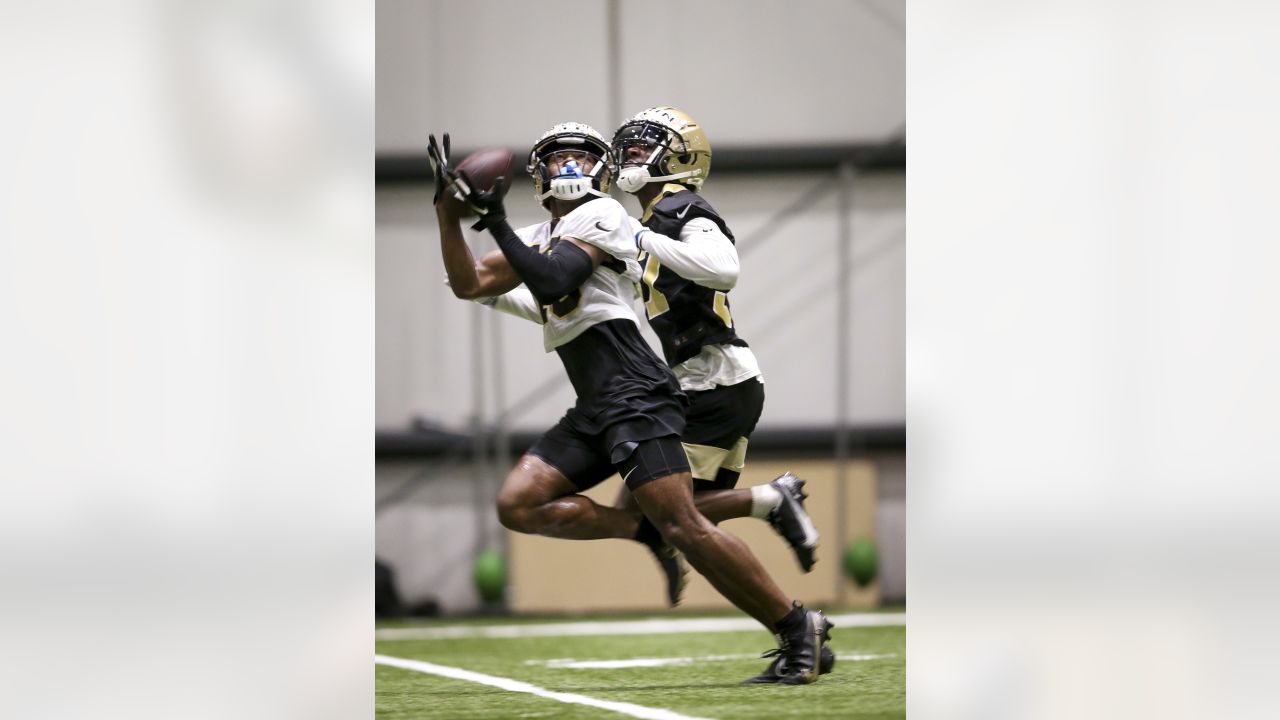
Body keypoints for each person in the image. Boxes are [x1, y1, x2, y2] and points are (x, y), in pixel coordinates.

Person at [428, 122, 832, 684]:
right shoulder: (540, 230)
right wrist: (446, 213)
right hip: (595, 400)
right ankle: (643, 532)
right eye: (556, 157)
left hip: (635, 390)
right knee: (519, 504)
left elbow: (553, 279)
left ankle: (795, 627)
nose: (568, 166)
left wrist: (492, 221)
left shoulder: (605, 214)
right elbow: (469, 282)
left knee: (686, 525)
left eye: (580, 156)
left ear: (603, 170)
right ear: (536, 174)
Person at [609, 106, 828, 683]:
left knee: (664, 520)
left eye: (640, 148)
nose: (627, 158)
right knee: (659, 518)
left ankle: (792, 612)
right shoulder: (657, 216)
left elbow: (723, 267)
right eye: (626, 148)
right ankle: (773, 508)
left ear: (677, 156)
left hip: (713, 380)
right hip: (711, 380)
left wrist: (637, 236)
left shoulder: (680, 207)